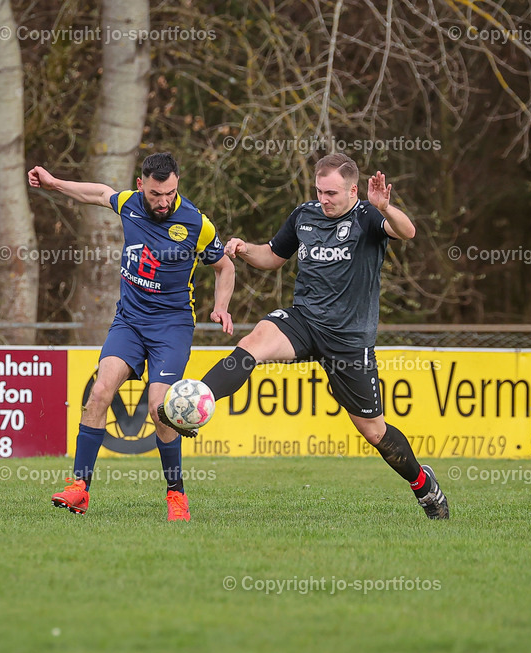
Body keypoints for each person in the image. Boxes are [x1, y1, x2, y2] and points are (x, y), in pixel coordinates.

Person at [158, 152, 449, 519]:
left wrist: (385, 208)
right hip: (304, 320)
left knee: (374, 431)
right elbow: (273, 257)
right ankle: (190, 409)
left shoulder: (368, 216)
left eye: (331, 193)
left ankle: (424, 485)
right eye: (319, 191)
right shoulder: (304, 215)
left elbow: (407, 232)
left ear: (353, 190)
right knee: (251, 345)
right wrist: (246, 249)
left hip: (348, 338)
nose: (324, 199)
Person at [29, 153, 235, 521]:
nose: (164, 201)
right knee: (99, 392)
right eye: (157, 194)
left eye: (170, 192)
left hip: (172, 327)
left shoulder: (196, 223)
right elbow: (96, 194)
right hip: (129, 321)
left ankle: (176, 495)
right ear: (142, 186)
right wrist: (54, 183)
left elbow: (224, 266)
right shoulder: (129, 204)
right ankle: (79, 489)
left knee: (160, 409)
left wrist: (221, 305)